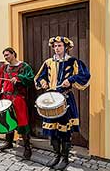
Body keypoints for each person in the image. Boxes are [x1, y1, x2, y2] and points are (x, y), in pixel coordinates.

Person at [34, 36, 90, 170]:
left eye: (59, 46)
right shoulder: (48, 62)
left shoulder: (73, 62)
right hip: (50, 98)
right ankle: (56, 155)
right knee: (52, 130)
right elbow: (39, 76)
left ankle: (65, 158)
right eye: (55, 46)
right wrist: (42, 81)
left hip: (65, 98)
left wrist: (71, 80)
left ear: (65, 47)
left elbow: (85, 75)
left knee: (64, 131)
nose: (57, 48)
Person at [0, 47, 34, 160]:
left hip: (18, 98)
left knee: (22, 121)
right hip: (5, 97)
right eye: (4, 56)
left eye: (7, 55)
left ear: (13, 54)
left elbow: (31, 79)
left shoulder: (24, 66)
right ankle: (9, 142)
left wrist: (19, 78)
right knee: (7, 119)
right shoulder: (4, 67)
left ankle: (27, 147)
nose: (6, 57)